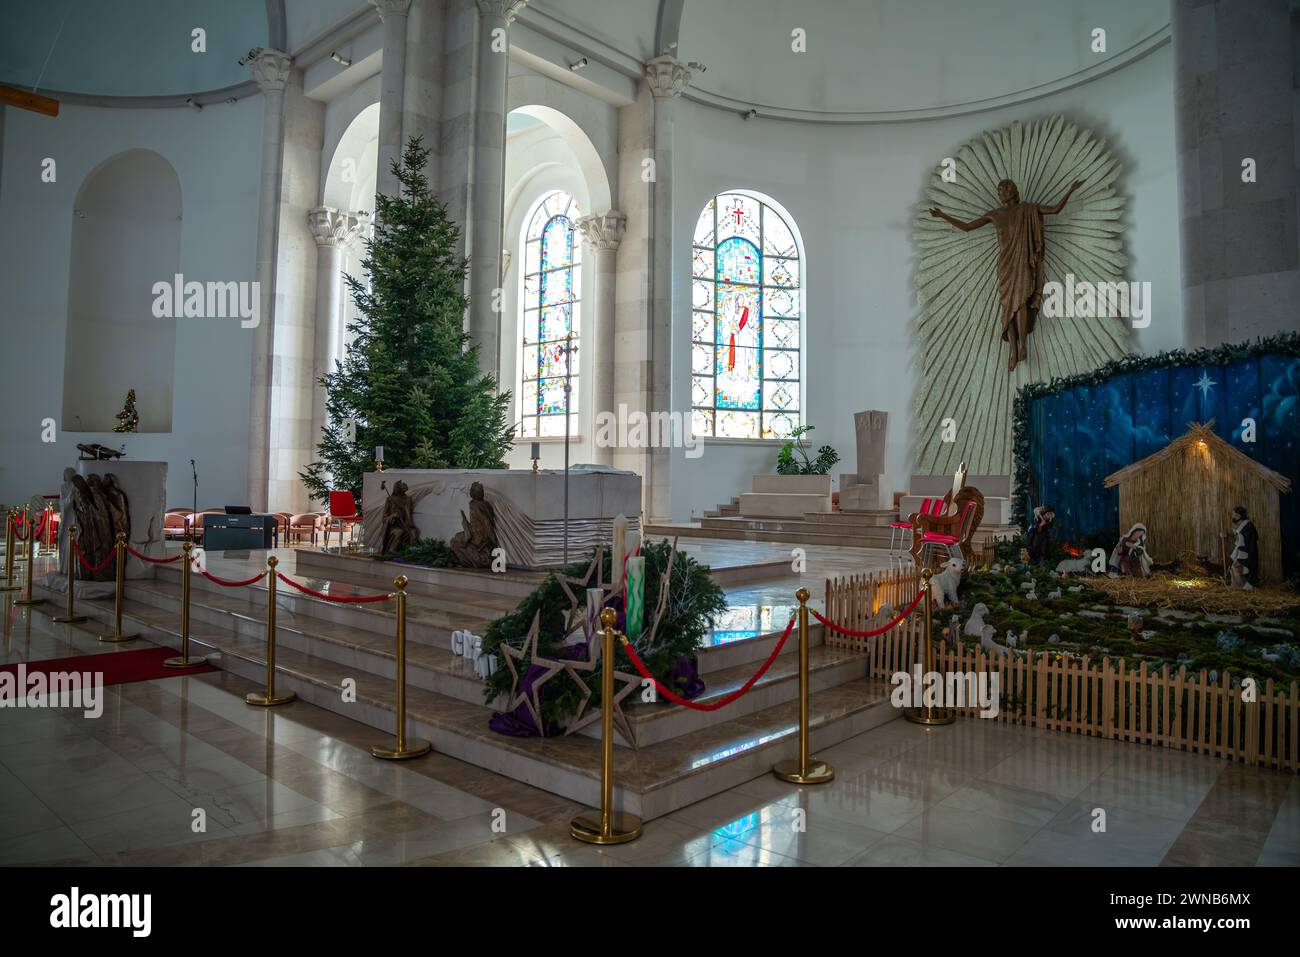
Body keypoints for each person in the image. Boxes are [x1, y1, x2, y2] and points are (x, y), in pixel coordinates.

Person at [929, 178, 1084, 371]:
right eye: (1000, 189)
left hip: (1023, 262)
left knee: (1020, 302)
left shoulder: (1027, 209)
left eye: (1007, 187)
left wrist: (1070, 190)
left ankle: (1023, 346)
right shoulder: (995, 215)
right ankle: (1013, 351)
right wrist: (942, 215)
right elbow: (968, 227)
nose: (1003, 191)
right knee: (1007, 309)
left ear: (1015, 190)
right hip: (1006, 266)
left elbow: (1054, 210)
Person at [1230, 505, 1259, 589]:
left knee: (1238, 567)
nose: (1233, 517)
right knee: (1235, 567)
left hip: (1247, 552)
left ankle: (1245, 587)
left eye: (1235, 515)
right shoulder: (1242, 525)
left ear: (1240, 516)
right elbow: (1239, 538)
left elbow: (1246, 541)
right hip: (1243, 551)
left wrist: (1243, 554)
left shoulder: (1248, 526)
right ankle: (1238, 586)